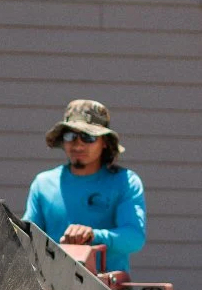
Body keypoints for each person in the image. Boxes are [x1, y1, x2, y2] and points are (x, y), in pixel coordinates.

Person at [22, 99, 147, 274]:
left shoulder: (125, 181)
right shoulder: (43, 183)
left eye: (88, 137)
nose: (78, 144)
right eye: (70, 136)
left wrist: (93, 235)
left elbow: (134, 238)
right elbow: (26, 239)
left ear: (104, 142)